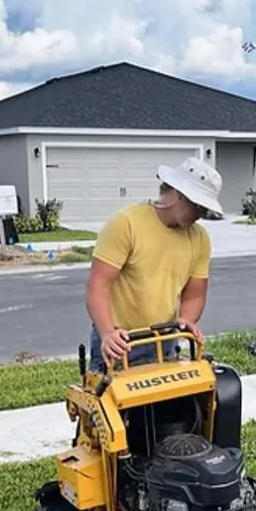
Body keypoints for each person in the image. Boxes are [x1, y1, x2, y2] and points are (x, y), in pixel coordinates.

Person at [85, 155, 223, 372]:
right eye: (198, 207)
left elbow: (195, 294)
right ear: (177, 194)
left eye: (204, 209)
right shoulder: (127, 223)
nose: (201, 215)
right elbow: (98, 285)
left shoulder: (200, 238)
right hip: (120, 343)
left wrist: (186, 320)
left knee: (169, 405)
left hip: (165, 340)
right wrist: (107, 333)